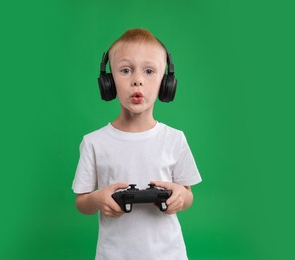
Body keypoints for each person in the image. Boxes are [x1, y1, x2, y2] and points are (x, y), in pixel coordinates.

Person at [72, 28, 202, 260]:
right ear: (108, 82)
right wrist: (98, 199)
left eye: (149, 71)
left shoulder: (175, 138)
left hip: (168, 254)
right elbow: (82, 202)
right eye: (125, 70)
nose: (138, 80)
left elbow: (188, 194)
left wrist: (180, 197)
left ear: (166, 83)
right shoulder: (94, 142)